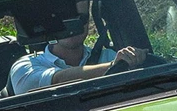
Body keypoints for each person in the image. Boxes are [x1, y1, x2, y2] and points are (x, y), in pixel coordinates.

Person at [9, 27, 146, 94]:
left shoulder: (109, 56)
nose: (71, 27)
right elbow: (58, 80)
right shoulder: (25, 67)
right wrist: (114, 66)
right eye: (63, 19)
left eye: (79, 18)